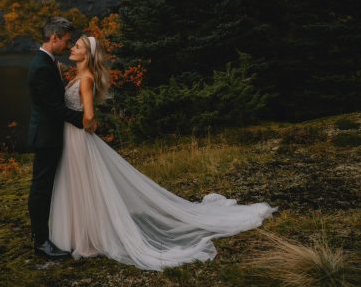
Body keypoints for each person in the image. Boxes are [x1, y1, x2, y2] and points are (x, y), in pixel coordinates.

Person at [49, 35, 276, 270]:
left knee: (83, 184)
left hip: (78, 137)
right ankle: (83, 234)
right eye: (74, 45)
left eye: (77, 46)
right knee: (79, 184)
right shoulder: (78, 74)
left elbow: (89, 116)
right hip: (73, 137)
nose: (72, 48)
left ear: (87, 54)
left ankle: (89, 237)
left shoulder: (85, 78)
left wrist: (87, 126)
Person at [27, 17, 96, 259]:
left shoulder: (49, 63)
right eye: (66, 41)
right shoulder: (40, 67)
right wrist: (83, 122)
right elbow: (54, 108)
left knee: (50, 187)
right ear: (54, 38)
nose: (68, 46)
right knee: (41, 188)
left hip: (56, 135)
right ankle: (41, 242)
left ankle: (54, 233)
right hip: (46, 137)